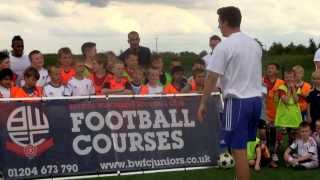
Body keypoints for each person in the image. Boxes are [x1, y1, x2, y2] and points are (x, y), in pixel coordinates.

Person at [197, 6, 262, 180]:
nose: (219, 26)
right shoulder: (255, 44)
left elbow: (211, 76)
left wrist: (203, 102)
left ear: (225, 22)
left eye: (219, 22)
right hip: (256, 101)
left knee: (238, 150)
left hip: (238, 102)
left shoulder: (224, 46)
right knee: (240, 147)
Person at [263, 63, 284, 167]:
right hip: (264, 114)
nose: (269, 69)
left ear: (277, 71)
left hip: (277, 115)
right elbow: (260, 99)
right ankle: (266, 157)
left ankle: (273, 157)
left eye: (272, 68)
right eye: (268, 68)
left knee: (276, 138)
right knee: (265, 135)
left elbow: (284, 100)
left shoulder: (281, 83)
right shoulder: (262, 81)